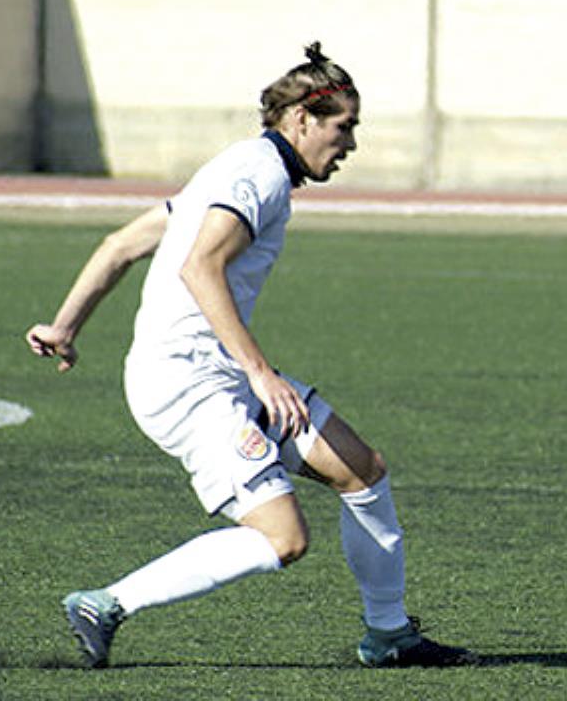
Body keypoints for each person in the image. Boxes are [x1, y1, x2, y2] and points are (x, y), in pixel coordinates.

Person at [26, 43, 474, 670]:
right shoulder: (256, 175)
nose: (349, 146)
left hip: (215, 371)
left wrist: (65, 325)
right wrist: (263, 375)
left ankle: (389, 634)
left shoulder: (239, 166)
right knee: (283, 538)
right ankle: (106, 603)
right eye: (343, 128)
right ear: (301, 121)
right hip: (186, 380)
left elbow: (123, 244)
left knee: (362, 470)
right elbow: (199, 267)